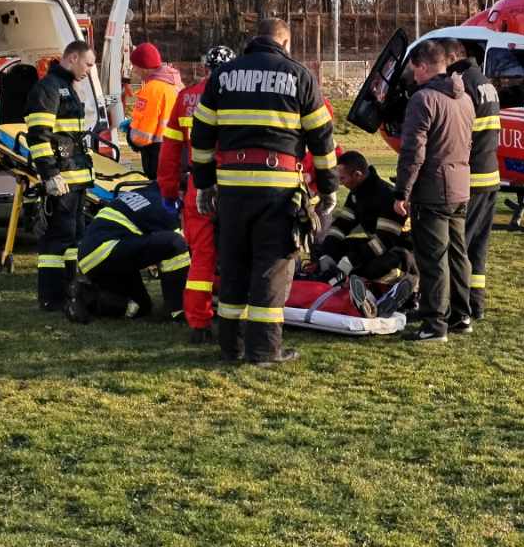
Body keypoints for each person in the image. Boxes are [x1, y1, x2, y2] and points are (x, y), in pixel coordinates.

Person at [190, 18, 337, 366]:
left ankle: (232, 346)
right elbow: (322, 138)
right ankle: (264, 350)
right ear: (284, 43)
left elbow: (202, 136)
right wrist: (329, 187)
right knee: (271, 268)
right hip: (278, 190)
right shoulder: (299, 76)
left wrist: (204, 183)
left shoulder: (223, 76)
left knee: (234, 265)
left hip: (232, 189)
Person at [392, 39, 472, 344]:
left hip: (432, 190)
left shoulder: (423, 99)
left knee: (433, 257)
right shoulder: (464, 98)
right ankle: (461, 315)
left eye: (414, 69)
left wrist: (402, 191)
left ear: (424, 66)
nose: (413, 76)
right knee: (457, 254)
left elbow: (413, 152)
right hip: (460, 187)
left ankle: (434, 324)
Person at [159, 44, 235, 345]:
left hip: (197, 185)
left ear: (205, 68)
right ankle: (234, 321)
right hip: (234, 184)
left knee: (201, 258)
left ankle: (199, 324)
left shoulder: (186, 97)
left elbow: (170, 150)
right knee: (236, 254)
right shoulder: (239, 96)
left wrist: (168, 189)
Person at [26, 40, 97, 311]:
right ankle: (51, 298)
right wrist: (50, 175)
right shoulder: (49, 89)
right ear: (73, 58)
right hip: (62, 180)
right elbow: (39, 136)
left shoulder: (67, 88)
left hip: (74, 179)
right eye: (88, 64)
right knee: (57, 240)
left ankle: (70, 291)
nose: (89, 70)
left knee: (74, 237)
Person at [67, 183, 190, 324]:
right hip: (106, 250)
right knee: (175, 243)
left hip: (96, 253)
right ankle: (177, 310)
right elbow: (182, 248)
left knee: (141, 306)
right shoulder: (166, 208)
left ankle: (87, 299)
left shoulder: (149, 192)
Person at [445, 41, 502, 318]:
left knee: (459, 246)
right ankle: (475, 304)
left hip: (471, 177)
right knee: (478, 247)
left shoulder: (462, 84)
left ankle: (456, 308)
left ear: (454, 57)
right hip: (490, 176)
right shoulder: (485, 82)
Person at [316, 149, 415, 307]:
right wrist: (327, 252)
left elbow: (385, 241)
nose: (340, 183)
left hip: (401, 252)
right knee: (327, 249)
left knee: (372, 267)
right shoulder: (357, 194)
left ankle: (398, 290)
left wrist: (351, 260)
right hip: (379, 245)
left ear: (357, 175)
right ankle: (337, 281)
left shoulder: (386, 195)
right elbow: (342, 225)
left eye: (343, 178)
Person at [124, 43, 184, 176]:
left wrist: (130, 133)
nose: (134, 71)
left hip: (158, 158)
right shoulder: (177, 84)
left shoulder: (151, 89)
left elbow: (142, 136)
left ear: (144, 67)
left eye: (135, 66)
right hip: (179, 153)